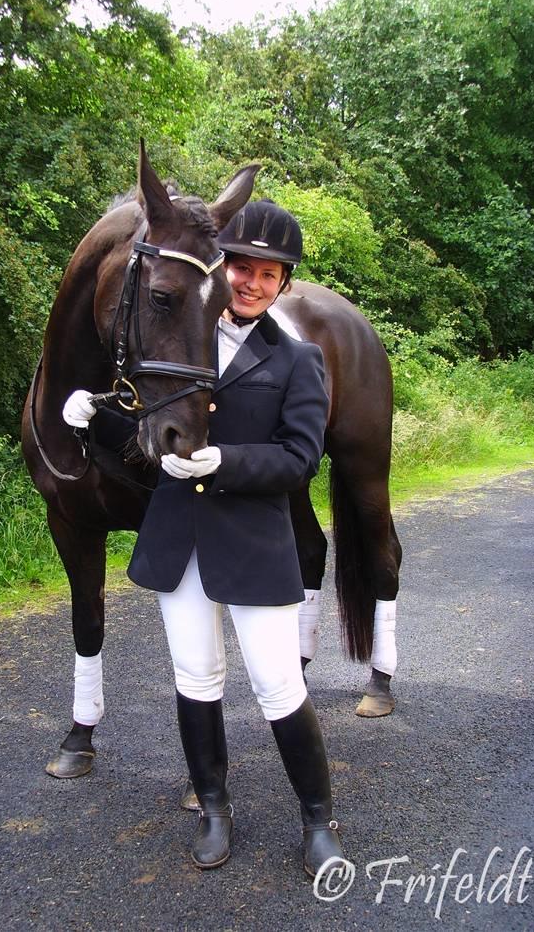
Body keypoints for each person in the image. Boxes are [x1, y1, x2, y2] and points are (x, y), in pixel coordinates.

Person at [63, 199, 346, 880]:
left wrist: (226, 462)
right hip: (180, 538)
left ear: (283, 283)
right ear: (223, 271)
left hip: (252, 542)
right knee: (196, 679)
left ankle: (317, 819)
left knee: (279, 686)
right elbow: (145, 444)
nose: (250, 282)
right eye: (241, 267)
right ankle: (214, 807)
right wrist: (91, 423)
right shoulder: (182, 340)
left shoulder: (298, 360)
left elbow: (299, 458)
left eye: (267, 273)